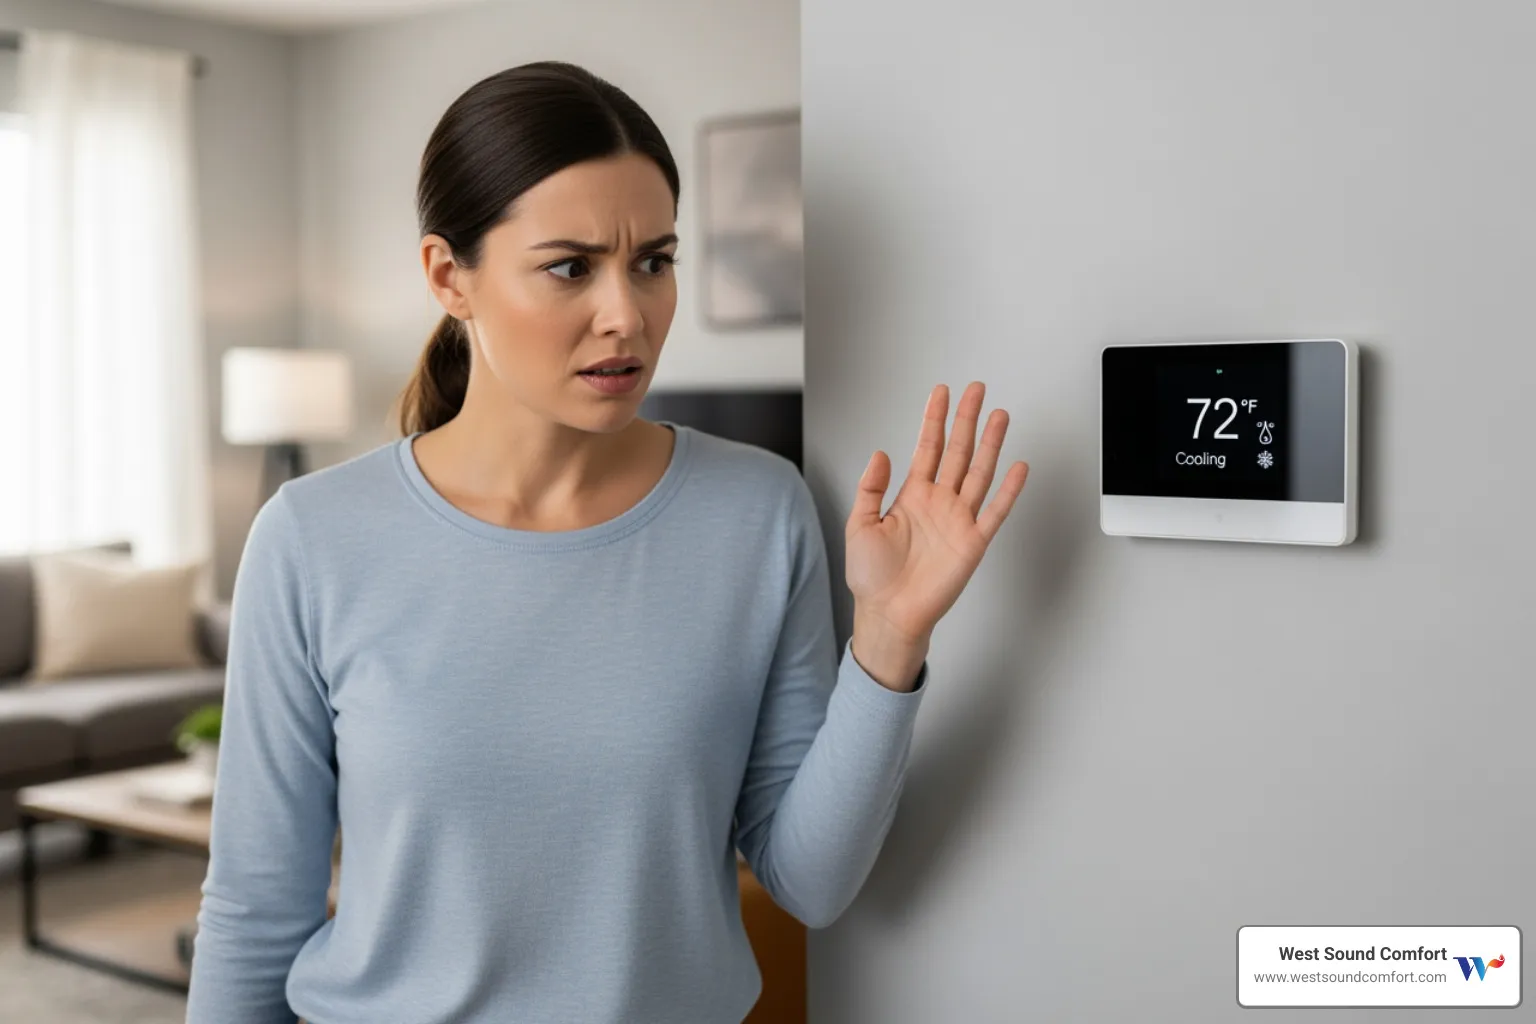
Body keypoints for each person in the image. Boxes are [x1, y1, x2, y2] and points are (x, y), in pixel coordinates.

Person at [184, 60, 1028, 1024]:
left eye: (653, 261)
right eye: (571, 266)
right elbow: (254, 915)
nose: (628, 313)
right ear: (448, 276)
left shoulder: (757, 511)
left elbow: (809, 882)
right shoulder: (311, 538)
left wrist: (888, 637)